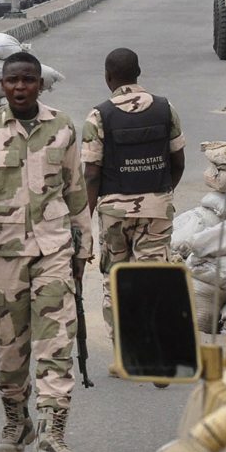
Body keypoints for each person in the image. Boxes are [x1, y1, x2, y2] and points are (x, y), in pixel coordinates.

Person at [0, 51, 90, 452]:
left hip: (53, 251)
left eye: (28, 80)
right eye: (12, 80)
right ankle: (17, 421)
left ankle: (52, 435)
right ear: (2, 85)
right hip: (4, 253)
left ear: (39, 84)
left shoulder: (62, 127)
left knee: (56, 342)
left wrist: (83, 249)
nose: (19, 87)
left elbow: (76, 191)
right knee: (9, 347)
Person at [81, 48, 185, 347]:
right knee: (153, 279)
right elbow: (178, 162)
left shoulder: (99, 115)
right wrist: (161, 193)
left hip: (114, 214)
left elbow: (92, 174)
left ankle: (123, 351)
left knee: (116, 280)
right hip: (156, 209)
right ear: (138, 72)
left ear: (107, 77)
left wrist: (85, 222)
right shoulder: (165, 108)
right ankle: (153, 349)